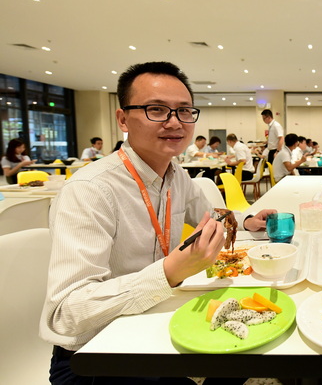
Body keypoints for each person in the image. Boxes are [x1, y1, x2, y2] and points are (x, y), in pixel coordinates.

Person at [40, 61, 275, 385]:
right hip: (95, 357)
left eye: (184, 111)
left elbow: (210, 213)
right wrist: (169, 272)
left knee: (252, 340)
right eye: (157, 109)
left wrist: (247, 221)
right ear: (123, 119)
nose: (174, 122)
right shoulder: (89, 190)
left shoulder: (175, 174)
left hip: (150, 327)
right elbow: (66, 314)